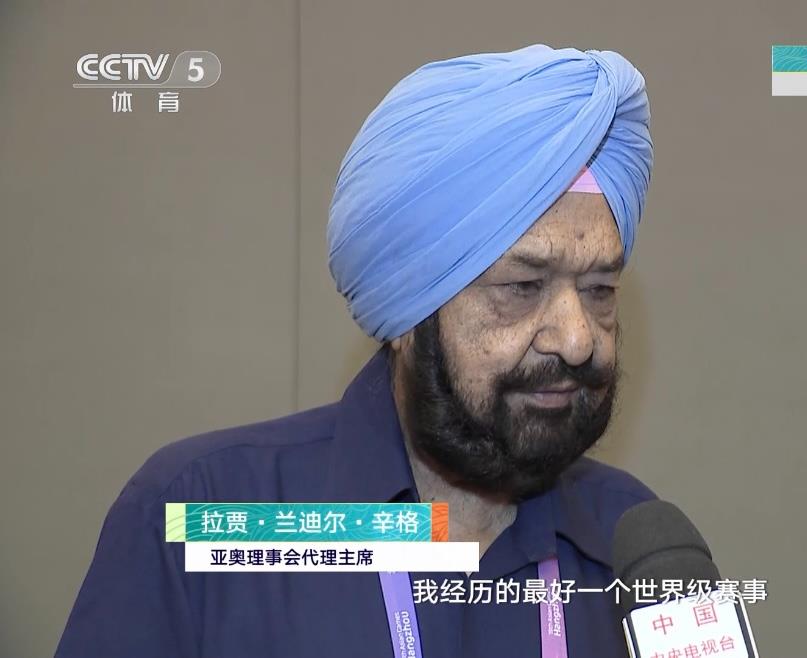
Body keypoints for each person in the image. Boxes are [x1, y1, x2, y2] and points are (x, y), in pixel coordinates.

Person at [56, 43, 656, 658]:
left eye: (599, 290)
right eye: (522, 287)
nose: (578, 339)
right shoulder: (201, 516)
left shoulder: (639, 547)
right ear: (407, 309)